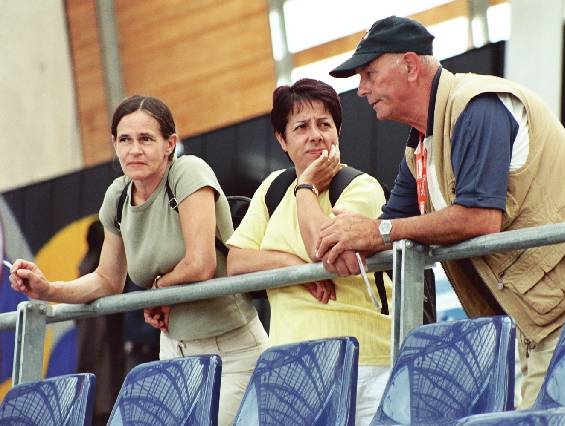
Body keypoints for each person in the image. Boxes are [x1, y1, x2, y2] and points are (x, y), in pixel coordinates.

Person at [316, 15, 565, 408]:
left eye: (369, 74)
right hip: (543, 301)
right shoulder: (420, 145)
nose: (361, 89)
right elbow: (388, 223)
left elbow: (480, 219)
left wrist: (377, 233)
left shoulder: (476, 105)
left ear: (410, 65)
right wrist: (345, 241)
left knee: (553, 415)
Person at [9, 95, 268, 424]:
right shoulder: (117, 196)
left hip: (232, 349)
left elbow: (201, 263)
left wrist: (158, 291)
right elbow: (106, 280)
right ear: (114, 145)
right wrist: (47, 289)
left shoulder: (188, 171)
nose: (134, 150)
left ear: (169, 144)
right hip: (174, 351)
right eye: (125, 140)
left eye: (146, 139)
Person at [226, 78, 392, 424]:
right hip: (292, 366)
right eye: (301, 127)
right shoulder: (272, 188)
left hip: (363, 362)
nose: (316, 135)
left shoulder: (361, 187)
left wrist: (305, 188)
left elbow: (322, 249)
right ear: (282, 140)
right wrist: (290, 266)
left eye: (324, 124)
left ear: (338, 132)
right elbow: (237, 262)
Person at [75, 219, 124, 426]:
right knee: (105, 393)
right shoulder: (99, 270)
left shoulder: (84, 265)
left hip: (89, 345)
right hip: (104, 343)